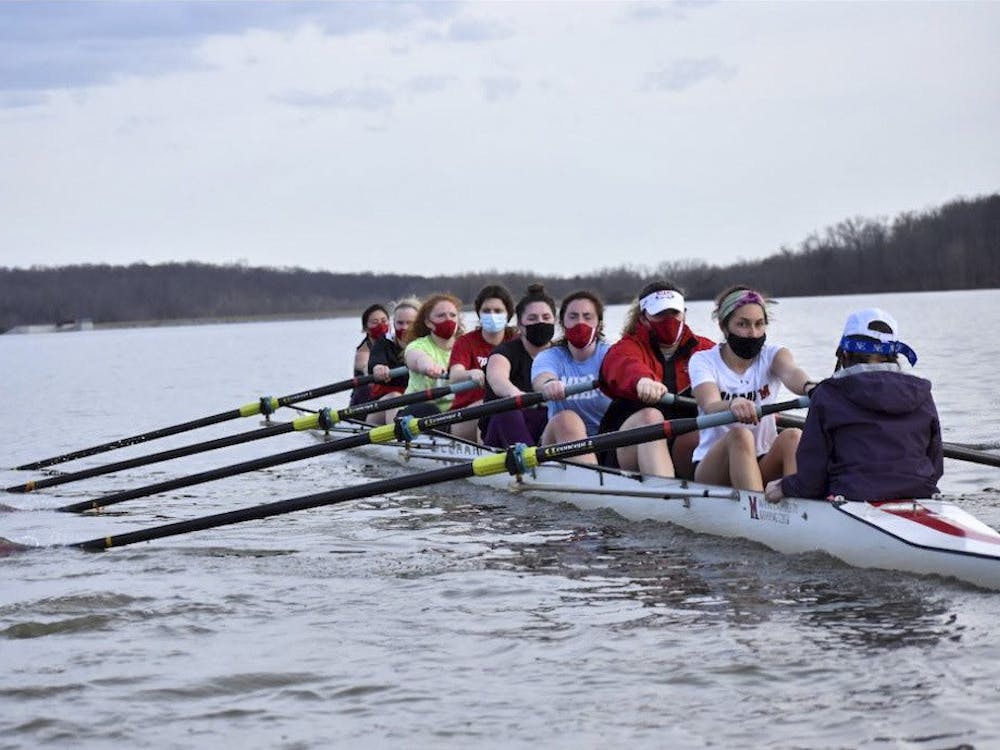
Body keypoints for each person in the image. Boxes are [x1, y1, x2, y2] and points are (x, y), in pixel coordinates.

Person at [765, 307, 942, 503]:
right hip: (921, 492)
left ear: (845, 354)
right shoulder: (922, 393)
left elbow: (811, 480)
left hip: (853, 495)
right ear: (894, 355)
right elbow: (936, 465)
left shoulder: (828, 394)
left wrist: (785, 486)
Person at [689, 285, 815, 491]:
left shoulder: (774, 355)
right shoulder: (703, 360)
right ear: (724, 326)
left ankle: (800, 504)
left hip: (762, 459)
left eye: (759, 324)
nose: (753, 333)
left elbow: (792, 373)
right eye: (743, 324)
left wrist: (810, 387)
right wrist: (732, 404)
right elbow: (709, 404)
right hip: (713, 468)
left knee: (793, 435)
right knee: (740, 435)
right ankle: (756, 510)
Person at [598, 281, 714, 478]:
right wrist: (642, 381)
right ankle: (664, 493)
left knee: (703, 430)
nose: (669, 320)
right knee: (651, 417)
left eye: (674, 313)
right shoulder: (626, 347)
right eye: (660, 314)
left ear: (684, 313)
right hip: (628, 449)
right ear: (643, 318)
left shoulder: (705, 350)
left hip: (681, 446)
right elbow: (623, 365)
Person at [531, 290, 612, 464]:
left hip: (608, 440)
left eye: (587, 317)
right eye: (573, 317)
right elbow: (541, 378)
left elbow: (628, 371)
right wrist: (549, 384)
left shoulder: (611, 354)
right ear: (562, 323)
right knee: (567, 419)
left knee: (648, 416)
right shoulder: (550, 356)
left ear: (599, 325)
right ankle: (592, 483)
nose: (580, 323)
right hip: (560, 442)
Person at [481, 283, 557, 448]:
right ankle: (532, 463)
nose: (540, 322)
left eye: (546, 318)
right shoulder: (503, 353)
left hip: (546, 430)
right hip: (501, 434)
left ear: (555, 321)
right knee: (507, 409)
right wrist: (515, 394)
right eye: (532, 318)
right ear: (520, 325)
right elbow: (498, 379)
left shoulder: (561, 353)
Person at [447, 284, 517, 442]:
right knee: (494, 405)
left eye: (498, 311)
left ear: (508, 314)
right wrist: (471, 373)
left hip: (507, 410)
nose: (492, 315)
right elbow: (454, 376)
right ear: (478, 313)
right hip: (464, 416)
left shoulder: (516, 341)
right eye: (486, 311)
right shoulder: (466, 341)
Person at [399, 293, 464, 421]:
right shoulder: (418, 345)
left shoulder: (465, 346)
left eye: (452, 315)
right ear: (428, 322)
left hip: (455, 412)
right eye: (441, 315)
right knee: (430, 410)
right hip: (418, 412)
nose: (448, 320)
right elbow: (417, 358)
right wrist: (427, 366)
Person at [365, 297, 420, 426]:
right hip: (383, 406)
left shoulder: (425, 343)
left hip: (416, 401)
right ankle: (397, 441)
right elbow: (375, 359)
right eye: (400, 323)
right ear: (393, 323)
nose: (404, 327)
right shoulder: (384, 342)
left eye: (409, 323)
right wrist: (378, 368)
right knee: (395, 396)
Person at [349, 303, 390, 406]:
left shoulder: (393, 344)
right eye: (375, 322)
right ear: (365, 328)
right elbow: (366, 369)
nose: (381, 325)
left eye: (384, 321)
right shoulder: (363, 351)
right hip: (364, 399)